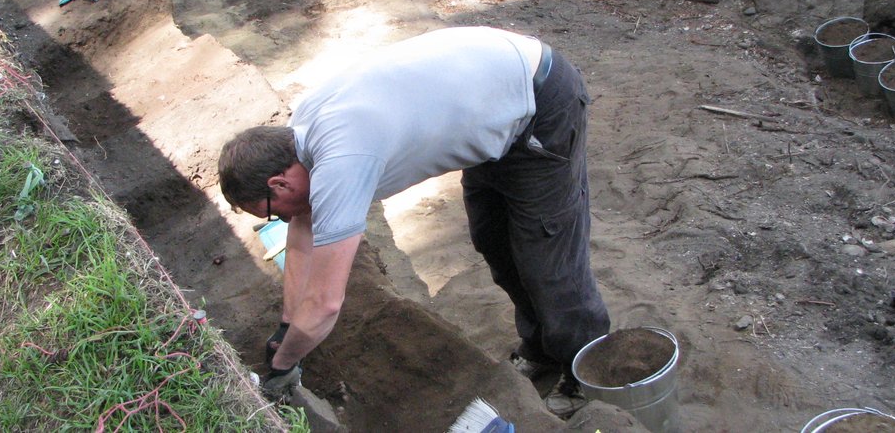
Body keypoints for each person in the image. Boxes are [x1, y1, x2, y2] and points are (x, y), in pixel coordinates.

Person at [217, 26, 610, 418]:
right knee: (494, 240)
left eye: (273, 211)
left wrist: (282, 366)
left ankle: (584, 369)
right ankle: (542, 348)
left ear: (278, 181)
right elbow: (302, 234)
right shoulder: (300, 136)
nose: (282, 218)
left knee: (547, 252)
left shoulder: (340, 160)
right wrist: (287, 326)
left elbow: (324, 304)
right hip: (491, 104)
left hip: (537, 101)